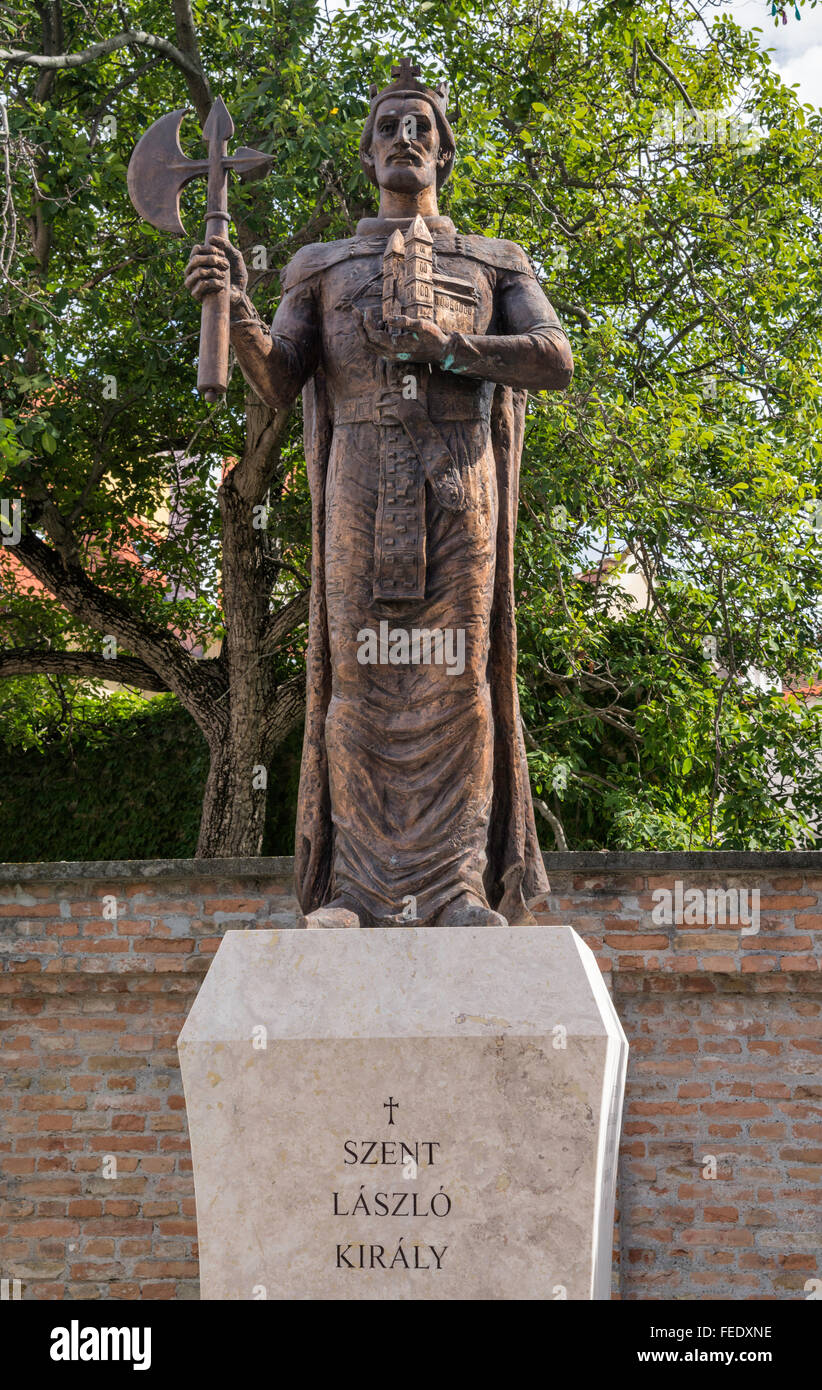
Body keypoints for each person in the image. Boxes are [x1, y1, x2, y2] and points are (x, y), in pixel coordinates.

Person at [185, 58, 573, 928]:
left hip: (456, 482)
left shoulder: (495, 260)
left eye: (422, 126)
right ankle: (357, 889)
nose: (406, 137)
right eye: (389, 125)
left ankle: (458, 886)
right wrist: (236, 308)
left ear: (444, 152)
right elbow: (279, 381)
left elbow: (554, 357)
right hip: (359, 481)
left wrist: (451, 349)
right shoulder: (322, 264)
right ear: (367, 155)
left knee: (457, 680)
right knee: (358, 681)